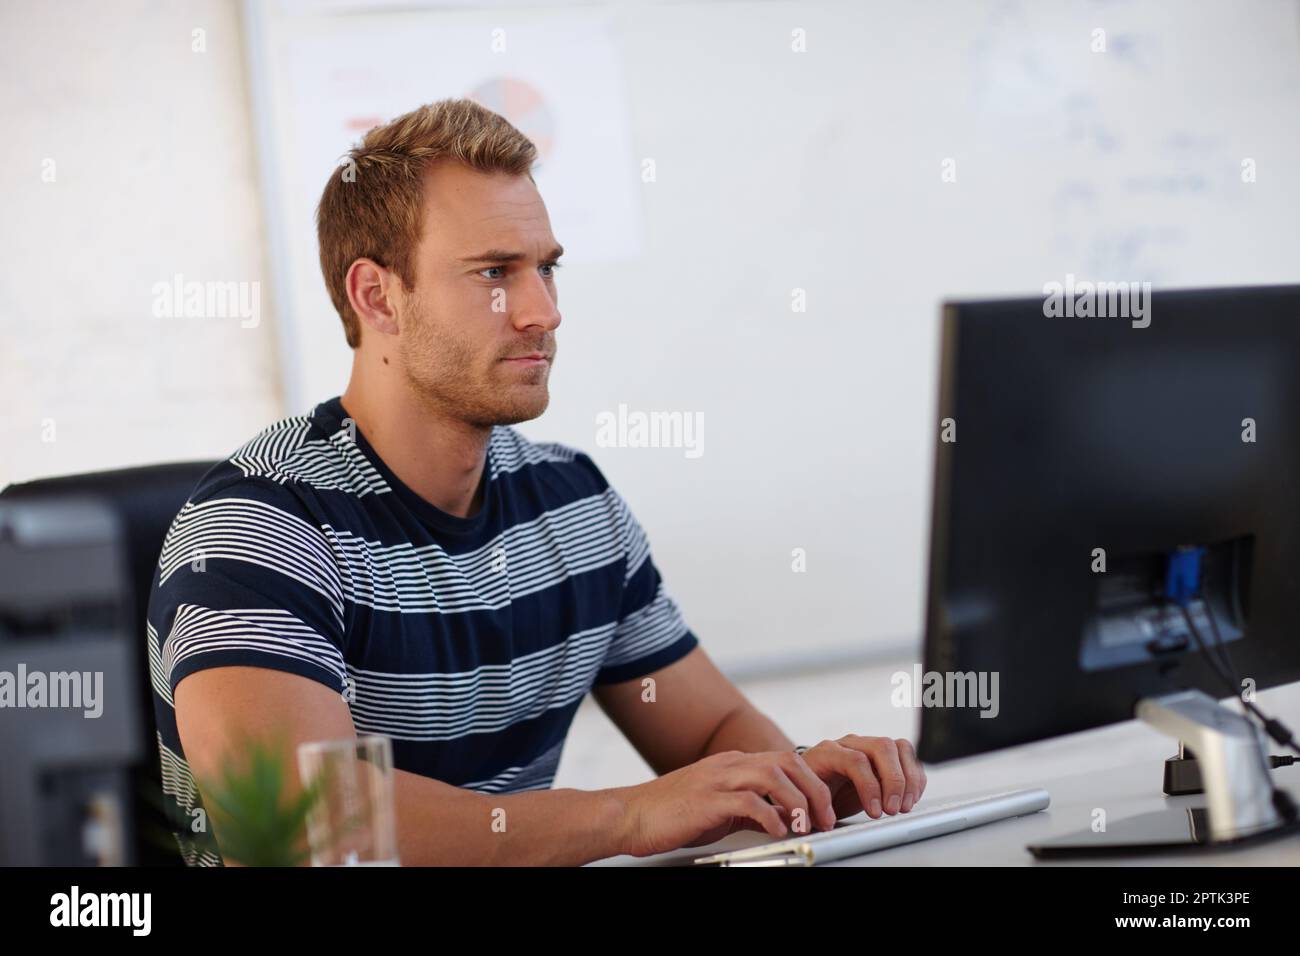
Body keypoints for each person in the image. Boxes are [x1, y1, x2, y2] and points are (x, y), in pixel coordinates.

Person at [146, 98, 926, 866]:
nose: (543, 312)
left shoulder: (574, 504)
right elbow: (294, 827)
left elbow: (712, 733)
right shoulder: (258, 524)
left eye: (546, 269)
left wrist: (802, 786)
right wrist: (624, 818)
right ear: (376, 296)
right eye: (495, 273)